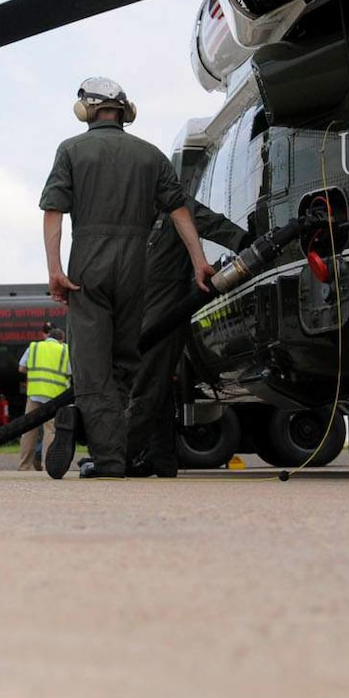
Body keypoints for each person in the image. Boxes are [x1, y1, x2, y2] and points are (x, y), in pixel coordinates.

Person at [40, 77, 213, 479]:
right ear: (123, 110)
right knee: (124, 366)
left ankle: (107, 455)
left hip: (89, 265)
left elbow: (53, 211)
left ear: (87, 109)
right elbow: (180, 212)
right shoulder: (151, 155)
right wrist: (200, 261)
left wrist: (55, 270)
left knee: (91, 369)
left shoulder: (71, 150)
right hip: (138, 270)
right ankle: (111, 450)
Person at [127, 198, 246, 477]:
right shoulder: (143, 214)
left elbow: (211, 223)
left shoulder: (174, 206)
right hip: (146, 312)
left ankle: (119, 454)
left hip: (165, 311)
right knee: (157, 387)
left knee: (146, 384)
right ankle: (161, 459)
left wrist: (246, 241)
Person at [16, 322, 71, 471]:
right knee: (50, 430)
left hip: (34, 394)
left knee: (28, 430)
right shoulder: (64, 350)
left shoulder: (33, 347)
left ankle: (24, 466)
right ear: (61, 339)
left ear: (48, 337)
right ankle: (48, 466)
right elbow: (70, 372)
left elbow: (21, 368)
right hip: (53, 396)